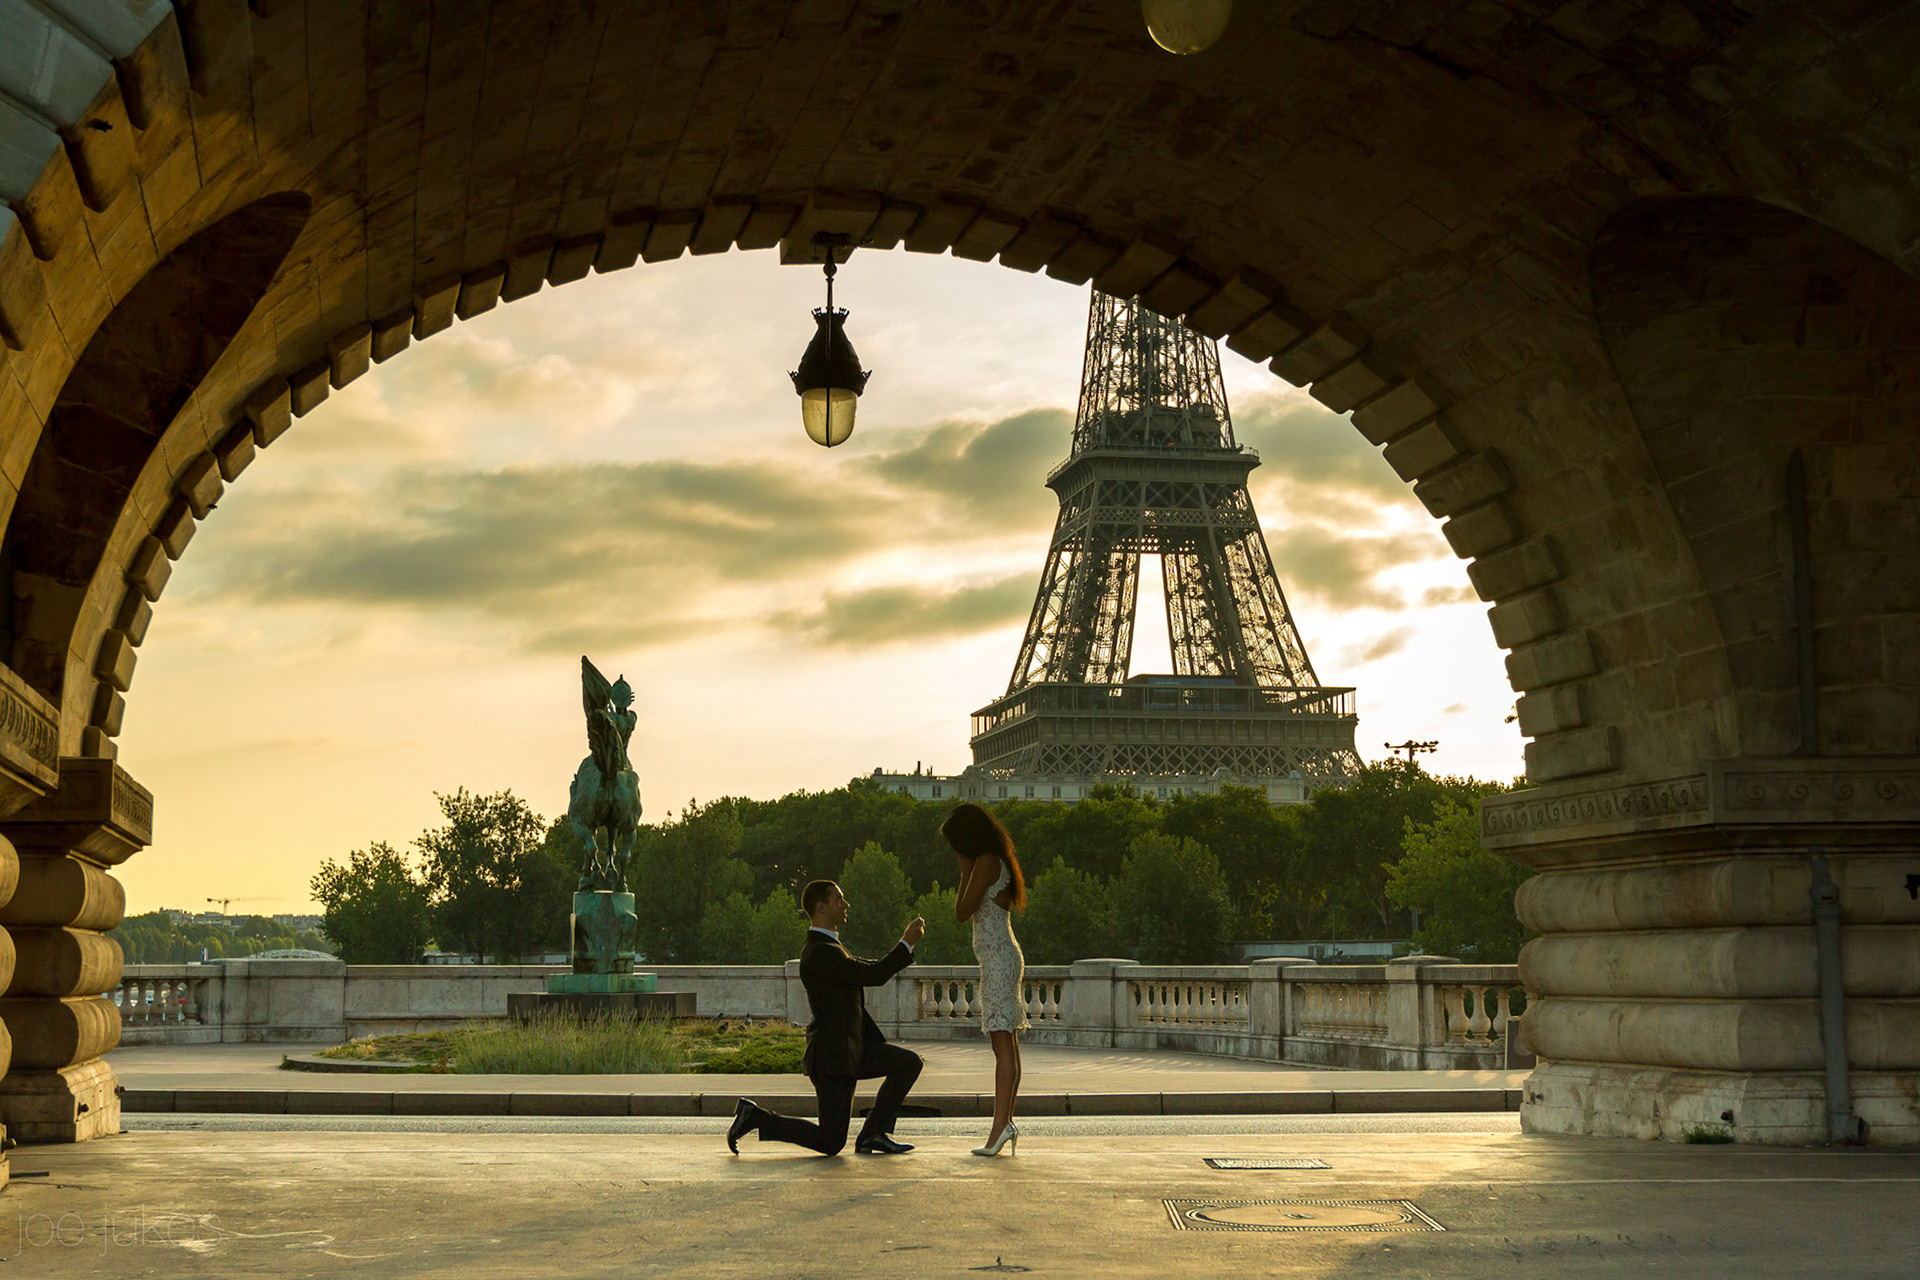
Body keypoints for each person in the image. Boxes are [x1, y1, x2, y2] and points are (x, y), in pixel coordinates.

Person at [727, 880, 925, 1156]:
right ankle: (757, 1117)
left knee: (908, 1063)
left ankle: (874, 1133)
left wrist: (903, 948)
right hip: (832, 1057)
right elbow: (875, 975)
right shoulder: (821, 952)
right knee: (830, 1141)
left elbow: (869, 969)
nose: (846, 905)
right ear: (821, 907)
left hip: (850, 1050)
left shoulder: (831, 948)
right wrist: (906, 943)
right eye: (839, 900)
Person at [942, 802, 1028, 1156]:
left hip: (998, 961)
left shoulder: (987, 862)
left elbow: (962, 912)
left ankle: (998, 1128)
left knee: (1001, 1046)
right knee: (1006, 1044)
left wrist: (964, 870)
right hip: (999, 957)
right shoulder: (997, 859)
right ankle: (1005, 1123)